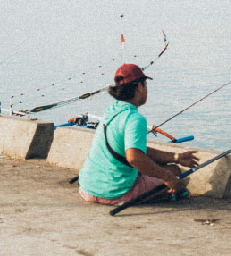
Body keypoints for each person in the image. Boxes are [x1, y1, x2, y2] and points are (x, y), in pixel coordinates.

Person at [78, 63, 199, 205]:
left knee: (170, 167)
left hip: (87, 188)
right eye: (145, 84)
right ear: (139, 87)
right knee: (175, 172)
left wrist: (176, 157)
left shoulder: (111, 110)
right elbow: (134, 158)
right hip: (113, 193)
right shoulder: (135, 118)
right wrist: (167, 177)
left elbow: (138, 150)